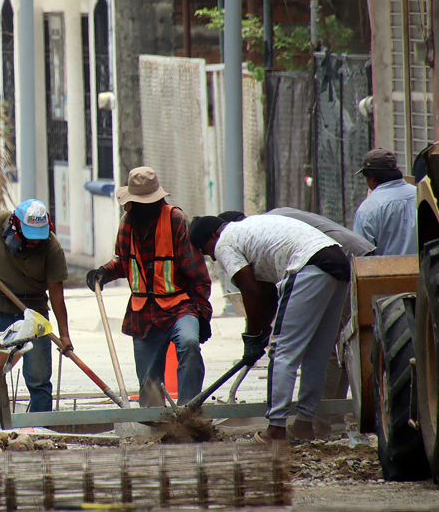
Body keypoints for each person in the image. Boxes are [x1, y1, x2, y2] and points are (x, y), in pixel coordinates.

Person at [189, 213, 350, 443]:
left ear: (214, 235)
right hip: (336, 262)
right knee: (317, 352)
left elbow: (250, 292)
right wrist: (262, 330)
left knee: (281, 352)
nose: (213, 258)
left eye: (207, 251)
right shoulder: (247, 228)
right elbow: (266, 293)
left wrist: (252, 337)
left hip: (307, 264)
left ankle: (275, 429)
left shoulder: (225, 241)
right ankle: (304, 425)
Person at [86, 167, 212, 407]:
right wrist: (103, 273)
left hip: (178, 306)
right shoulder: (127, 224)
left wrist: (202, 314)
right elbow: (124, 262)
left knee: (188, 343)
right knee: (149, 381)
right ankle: (156, 422)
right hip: (143, 312)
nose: (135, 209)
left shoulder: (176, 220)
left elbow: (198, 276)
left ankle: (188, 411)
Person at [0, 199, 70, 412]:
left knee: (39, 377)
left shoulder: (52, 247)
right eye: (30, 237)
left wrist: (65, 335)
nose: (34, 243)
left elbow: (57, 296)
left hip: (35, 313)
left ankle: (41, 427)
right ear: (15, 225)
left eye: (38, 238)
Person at [353, 148, 416, 256]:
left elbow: (361, 257)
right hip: (427, 271)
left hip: (388, 271)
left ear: (372, 178)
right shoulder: (419, 194)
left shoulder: (368, 209)